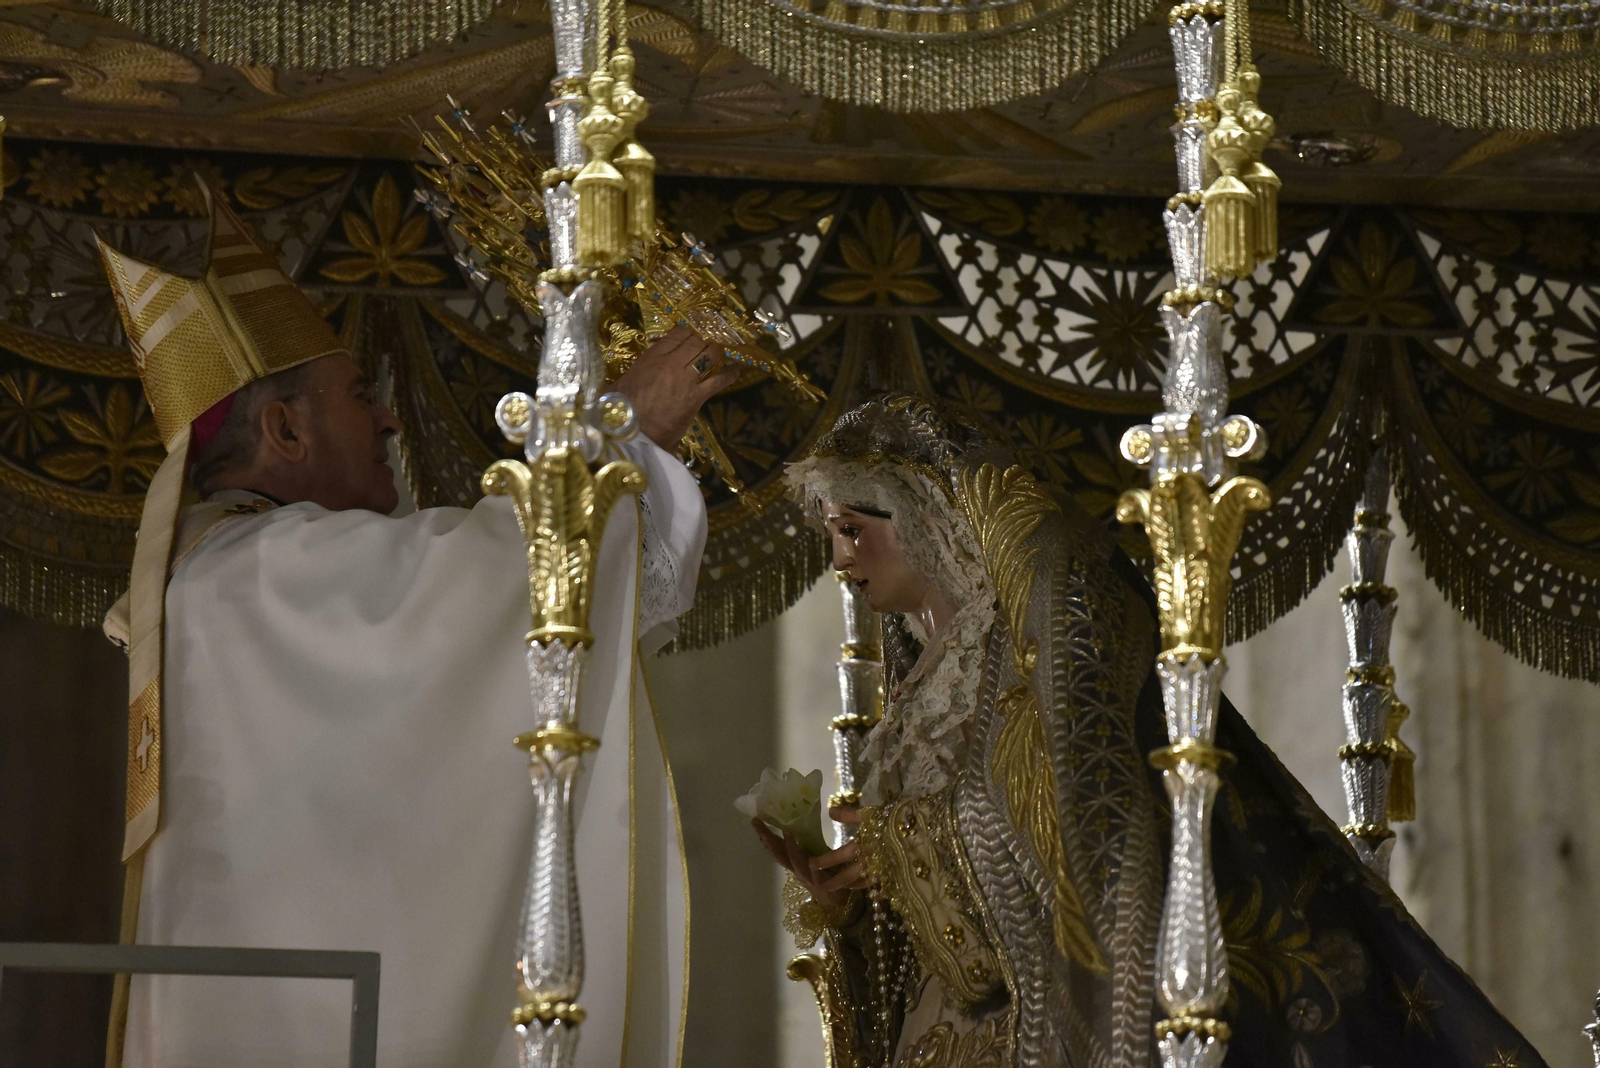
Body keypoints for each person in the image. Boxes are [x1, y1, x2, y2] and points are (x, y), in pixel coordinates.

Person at [96, 187, 735, 1067]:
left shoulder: (217, 577)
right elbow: (506, 591)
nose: (390, 420)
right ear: (284, 428)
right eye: (360, 395)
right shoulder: (253, 576)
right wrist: (619, 434)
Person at [761, 393, 1548, 1068]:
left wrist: (906, 846)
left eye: (855, 529)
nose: (839, 558)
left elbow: (1088, 829)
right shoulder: (919, 686)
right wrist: (850, 891)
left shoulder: (1051, 635)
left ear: (927, 519)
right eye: (832, 532)